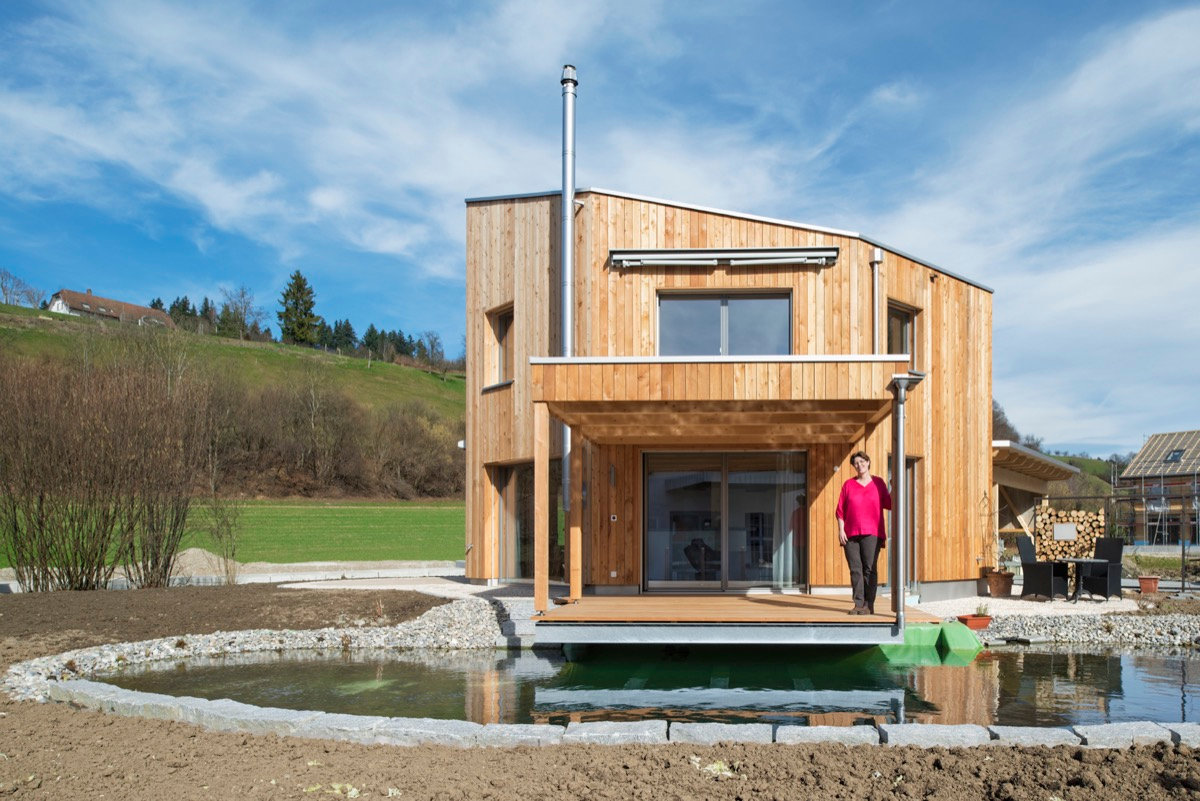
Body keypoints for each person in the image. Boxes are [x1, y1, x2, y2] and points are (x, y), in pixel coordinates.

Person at [835, 450, 892, 615]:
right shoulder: (848, 485)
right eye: (856, 463)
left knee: (869, 569)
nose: (859, 465)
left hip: (872, 533)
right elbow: (839, 511)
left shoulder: (878, 483)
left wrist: (895, 486)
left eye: (862, 461)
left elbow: (890, 504)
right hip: (850, 534)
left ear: (868, 462)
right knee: (855, 569)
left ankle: (869, 604)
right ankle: (858, 604)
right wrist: (841, 530)